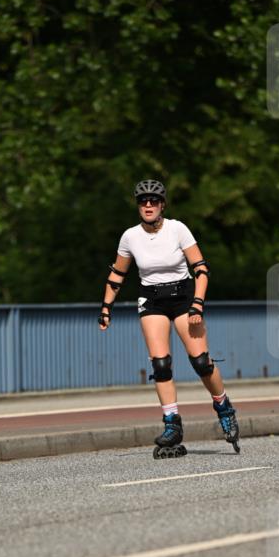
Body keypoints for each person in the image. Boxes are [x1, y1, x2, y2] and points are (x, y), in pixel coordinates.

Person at [98, 179, 240, 458]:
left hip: (183, 296)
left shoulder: (177, 229)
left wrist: (197, 304)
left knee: (201, 362)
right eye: (143, 201)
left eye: (153, 201)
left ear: (162, 204)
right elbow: (117, 275)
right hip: (151, 298)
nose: (148, 205)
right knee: (160, 365)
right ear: (138, 206)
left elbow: (200, 269)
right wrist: (106, 308)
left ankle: (223, 406)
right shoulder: (130, 237)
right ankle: (172, 424)